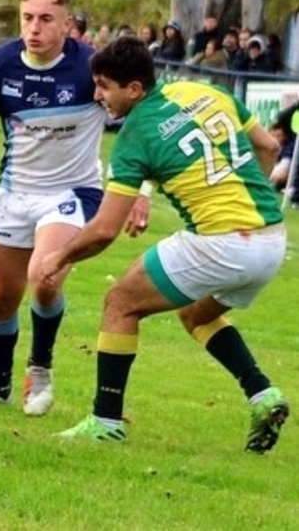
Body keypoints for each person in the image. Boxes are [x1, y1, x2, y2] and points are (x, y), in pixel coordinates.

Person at [39, 36, 288, 452]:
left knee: (120, 302)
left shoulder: (134, 135)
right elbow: (268, 146)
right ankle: (263, 394)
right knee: (197, 314)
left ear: (134, 89)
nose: (97, 94)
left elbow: (104, 230)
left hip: (220, 244)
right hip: (271, 242)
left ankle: (105, 420)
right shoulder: (205, 90)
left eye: (103, 85)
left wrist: (58, 257)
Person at [0, 0, 150, 417]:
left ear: (68, 24)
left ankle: (40, 369)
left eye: (45, 19)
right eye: (26, 18)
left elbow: (140, 122)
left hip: (73, 192)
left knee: (45, 276)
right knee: (1, 295)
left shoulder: (92, 66)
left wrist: (140, 189)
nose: (33, 28)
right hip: (15, 192)